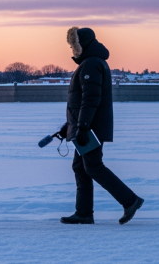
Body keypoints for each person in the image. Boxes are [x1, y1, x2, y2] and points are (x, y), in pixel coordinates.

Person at [58, 27, 144, 225]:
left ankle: (130, 200)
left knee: (93, 167)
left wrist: (82, 127)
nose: (72, 49)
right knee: (81, 167)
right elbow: (82, 101)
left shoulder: (91, 64)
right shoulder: (92, 63)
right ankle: (83, 213)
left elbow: (91, 99)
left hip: (90, 129)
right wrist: (69, 126)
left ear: (83, 44)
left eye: (74, 45)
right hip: (87, 126)